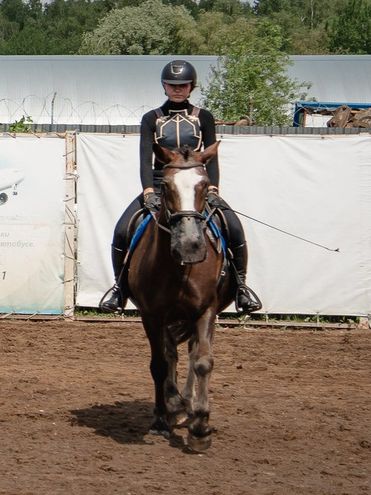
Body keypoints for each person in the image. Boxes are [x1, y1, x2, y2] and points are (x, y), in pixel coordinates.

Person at [98, 58, 262, 314]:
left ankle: (241, 286)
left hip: (196, 188)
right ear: (164, 86)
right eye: (172, 84)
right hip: (161, 186)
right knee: (122, 230)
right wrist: (148, 190)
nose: (177, 89)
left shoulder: (204, 117)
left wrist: (213, 189)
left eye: (183, 85)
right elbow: (145, 158)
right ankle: (119, 289)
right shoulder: (151, 118)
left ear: (191, 87)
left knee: (233, 227)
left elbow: (212, 157)